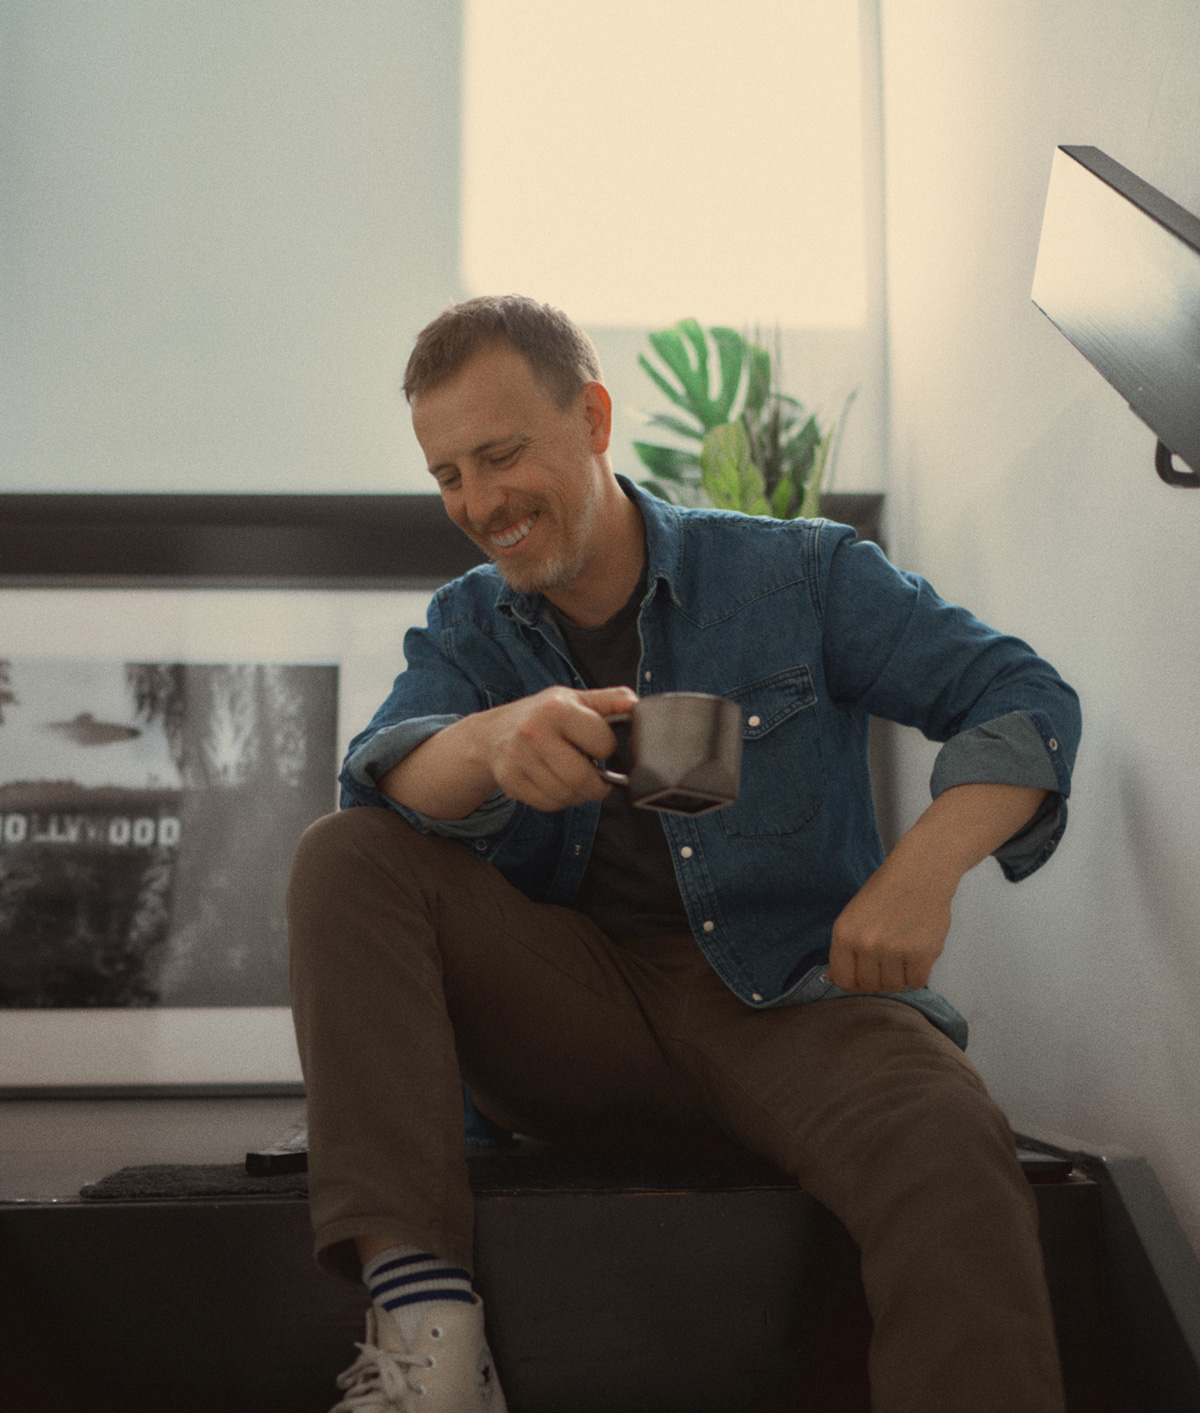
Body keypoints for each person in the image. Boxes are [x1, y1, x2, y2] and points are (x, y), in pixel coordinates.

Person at [287, 295, 1081, 1413]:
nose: (480, 503)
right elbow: (383, 778)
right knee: (342, 855)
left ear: (595, 415)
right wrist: (489, 739)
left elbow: (1022, 698)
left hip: (798, 1005)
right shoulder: (469, 628)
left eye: (502, 456)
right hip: (574, 1017)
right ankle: (432, 1345)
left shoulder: (798, 576)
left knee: (948, 1137)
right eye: (449, 475)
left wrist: (922, 870)